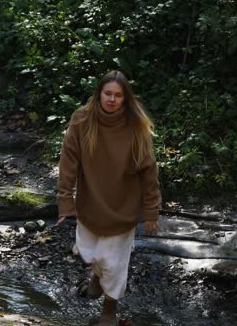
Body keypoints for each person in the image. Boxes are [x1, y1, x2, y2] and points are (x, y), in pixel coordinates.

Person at [55, 70, 162, 326]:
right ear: (99, 94)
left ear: (126, 98)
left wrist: (151, 211)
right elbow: (68, 161)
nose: (112, 99)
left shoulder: (135, 125)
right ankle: (97, 277)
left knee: (114, 264)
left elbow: (149, 172)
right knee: (89, 252)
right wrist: (65, 201)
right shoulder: (82, 119)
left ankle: (109, 310)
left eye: (118, 95)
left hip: (123, 205)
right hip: (90, 202)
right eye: (108, 94)